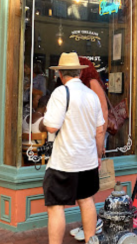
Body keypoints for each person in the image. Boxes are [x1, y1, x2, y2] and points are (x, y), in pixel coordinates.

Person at [40, 52, 105, 244]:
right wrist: (99, 156)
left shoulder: (61, 92)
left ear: (60, 74)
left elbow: (51, 126)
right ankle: (90, 241)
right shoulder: (92, 95)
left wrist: (43, 120)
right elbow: (100, 130)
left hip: (64, 162)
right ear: (79, 73)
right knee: (87, 201)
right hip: (88, 161)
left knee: (56, 207)